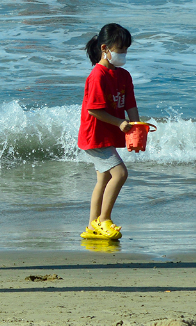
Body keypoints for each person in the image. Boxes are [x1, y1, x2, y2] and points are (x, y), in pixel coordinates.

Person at [77, 23, 138, 240]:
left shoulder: (123, 76)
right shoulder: (98, 75)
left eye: (126, 50)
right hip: (95, 136)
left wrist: (135, 126)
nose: (123, 54)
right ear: (105, 48)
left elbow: (130, 103)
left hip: (107, 135)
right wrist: (120, 123)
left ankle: (92, 225)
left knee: (103, 180)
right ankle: (104, 220)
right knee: (120, 174)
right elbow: (93, 109)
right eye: (120, 49)